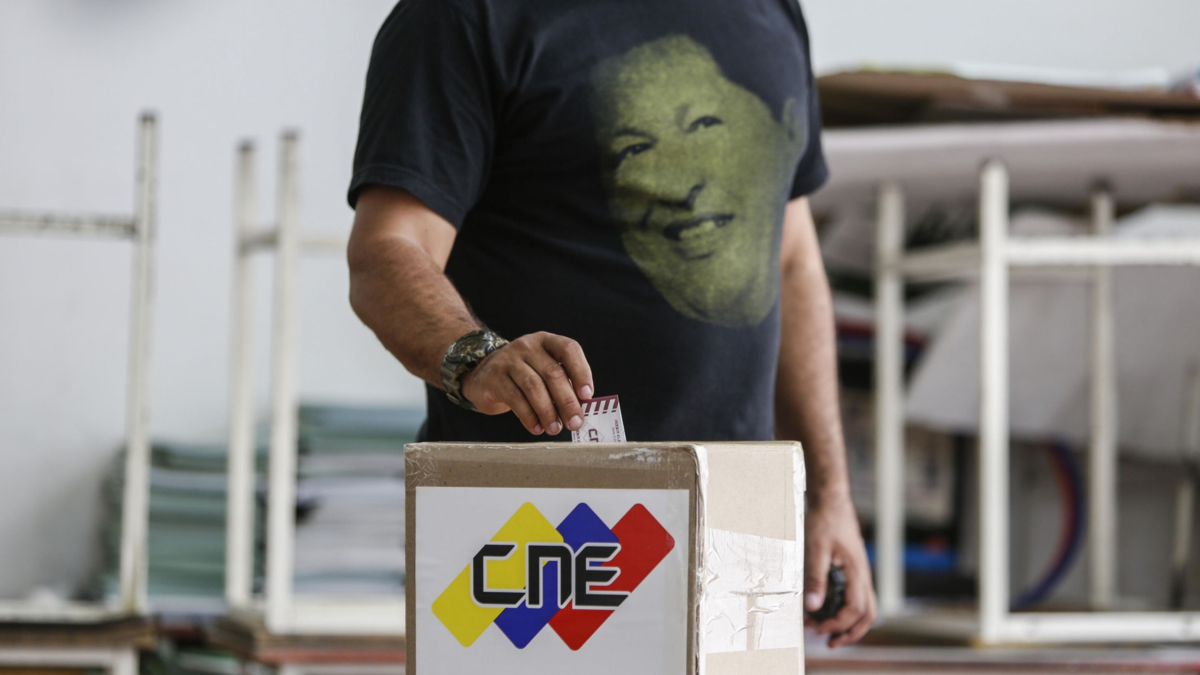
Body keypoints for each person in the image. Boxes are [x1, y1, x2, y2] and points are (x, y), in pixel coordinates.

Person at [346, 0, 877, 646]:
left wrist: (829, 495)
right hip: (540, 538)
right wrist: (474, 356)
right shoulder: (464, 15)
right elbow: (386, 249)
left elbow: (790, 257)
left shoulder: (769, 11)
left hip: (736, 523)